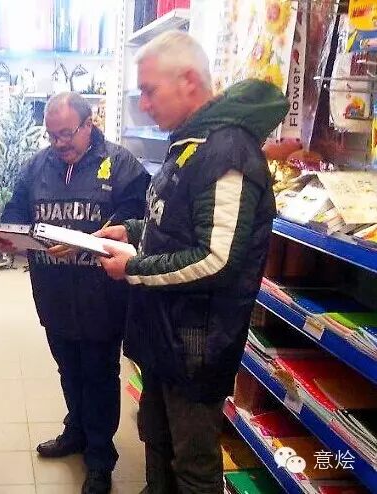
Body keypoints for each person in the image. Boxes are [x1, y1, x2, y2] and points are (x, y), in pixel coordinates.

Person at [97, 31, 289, 493]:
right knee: (157, 439)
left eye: (150, 91)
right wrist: (133, 231)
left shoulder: (228, 151)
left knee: (193, 463)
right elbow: (174, 221)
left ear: (188, 81)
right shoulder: (190, 142)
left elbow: (216, 259)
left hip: (195, 345)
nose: (144, 104)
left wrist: (133, 269)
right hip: (164, 334)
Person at [0, 92, 149, 494]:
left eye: (67, 134)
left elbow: (138, 219)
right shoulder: (37, 166)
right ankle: (76, 431)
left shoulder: (121, 164)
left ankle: (99, 458)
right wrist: (11, 234)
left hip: (102, 297)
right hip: (53, 293)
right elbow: (15, 209)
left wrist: (93, 238)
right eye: (52, 135)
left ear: (89, 123)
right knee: (68, 368)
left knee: (99, 375)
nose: (59, 143)